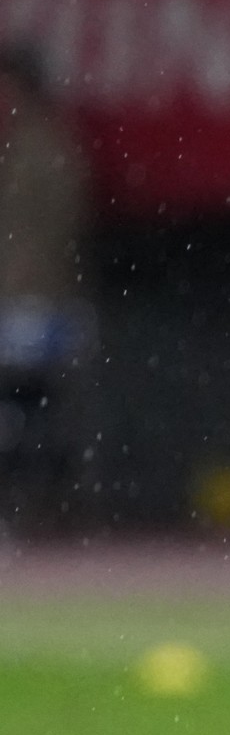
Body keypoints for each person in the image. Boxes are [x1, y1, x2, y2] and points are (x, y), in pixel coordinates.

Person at [0, 44, 91, 529]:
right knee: (27, 412)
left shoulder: (40, 151)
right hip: (26, 305)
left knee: (28, 410)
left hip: (35, 306)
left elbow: (37, 246)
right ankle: (32, 509)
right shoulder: (28, 146)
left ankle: (33, 511)